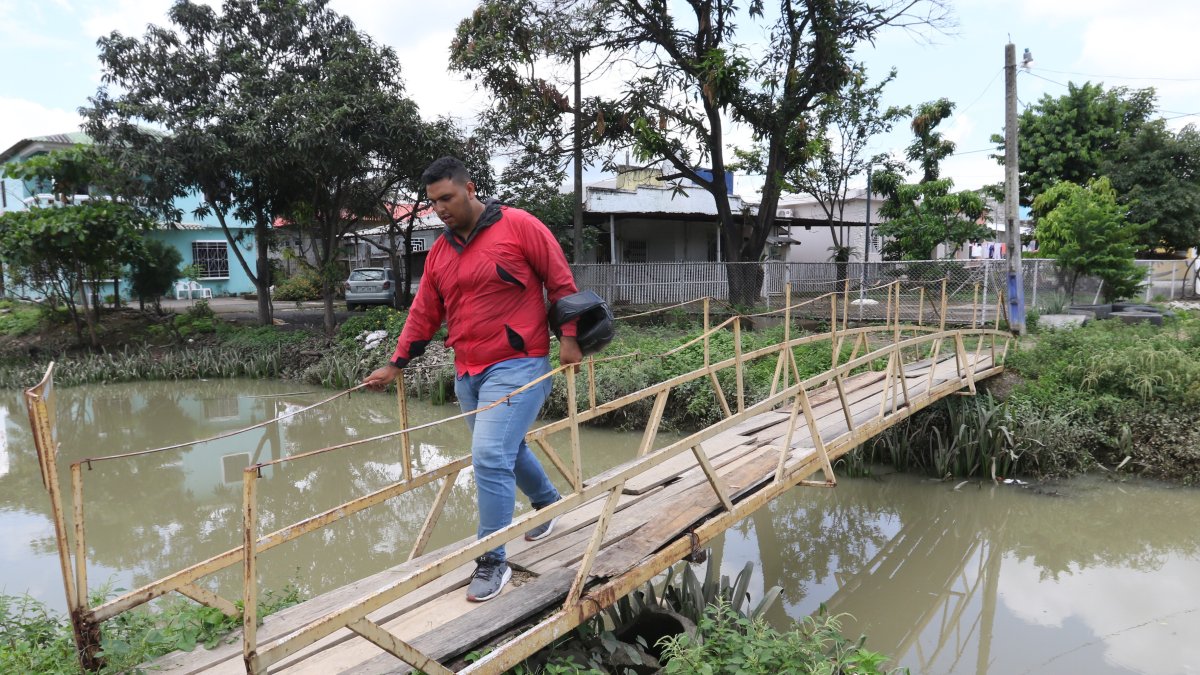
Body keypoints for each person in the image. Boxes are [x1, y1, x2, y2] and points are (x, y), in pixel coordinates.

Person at [364, 156, 581, 602]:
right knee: (506, 448)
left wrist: (570, 338)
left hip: (519, 362)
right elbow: (424, 313)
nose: (439, 208)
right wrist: (395, 364)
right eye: (432, 202)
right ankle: (548, 504)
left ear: (470, 188)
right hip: (468, 370)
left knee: (488, 455)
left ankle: (492, 560)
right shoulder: (441, 252)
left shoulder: (519, 226)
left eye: (446, 198)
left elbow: (560, 282)